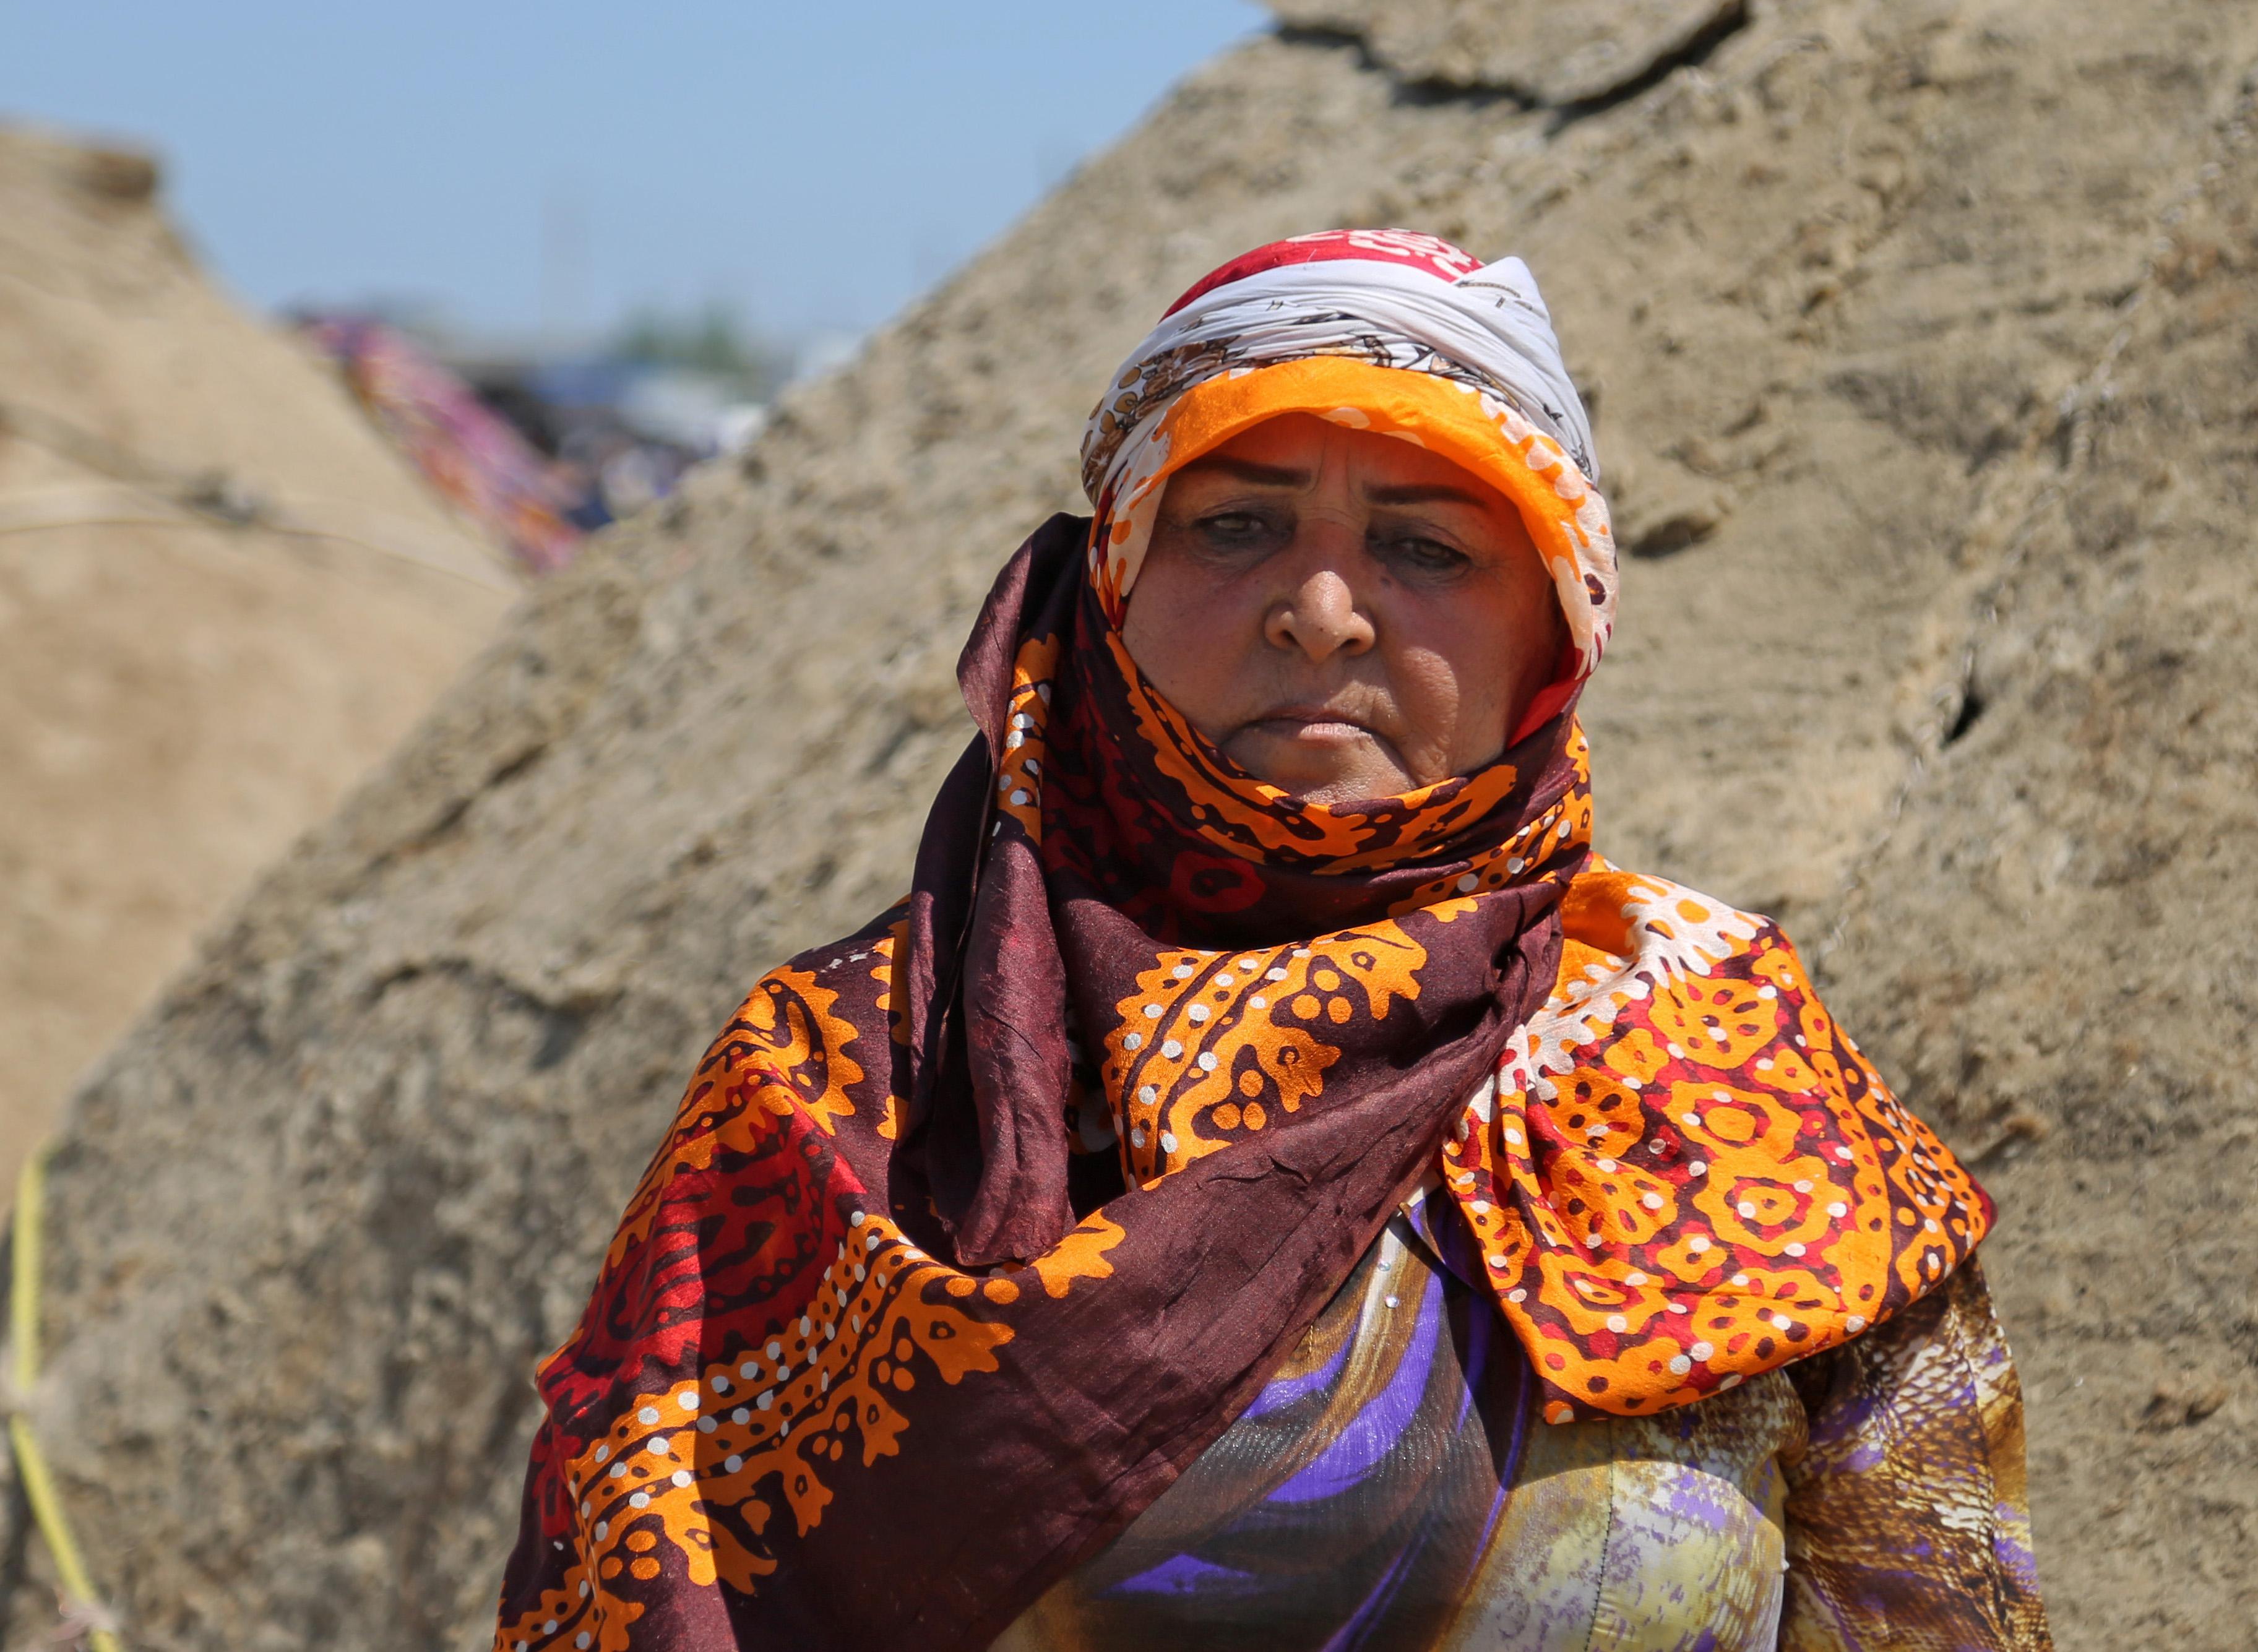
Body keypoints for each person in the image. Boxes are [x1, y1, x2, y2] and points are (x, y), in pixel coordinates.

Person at [493, 230, 2051, 1652]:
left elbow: (1929, 1601)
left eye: (1427, 548)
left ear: (1553, 638)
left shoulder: (1711, 1058)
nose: (1320, 608)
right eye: (1232, 524)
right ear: (1109, 584)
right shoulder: (854, 1085)